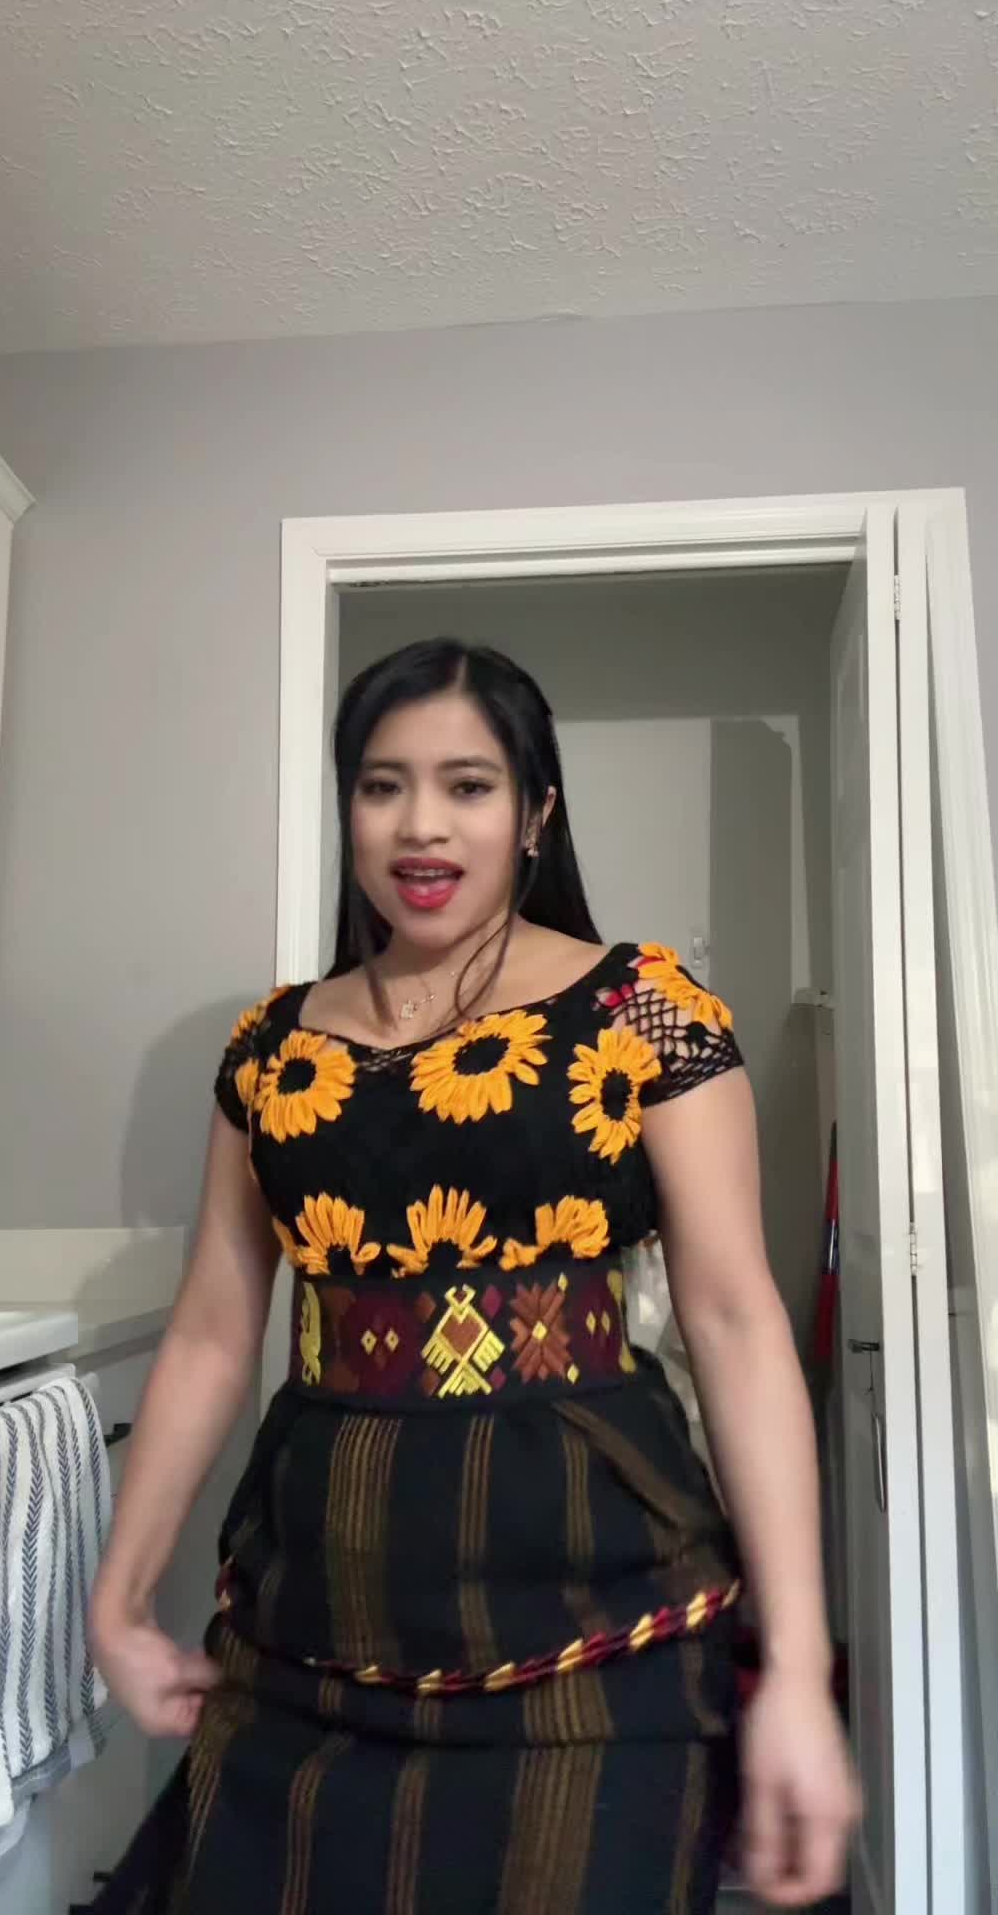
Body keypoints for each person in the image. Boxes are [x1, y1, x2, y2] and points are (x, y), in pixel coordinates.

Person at [90, 638, 860, 1914]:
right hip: (313, 1625)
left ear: (536, 814)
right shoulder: (270, 1048)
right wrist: (117, 1600)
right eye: (382, 785)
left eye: (468, 785)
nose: (421, 826)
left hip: (596, 1615)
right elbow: (215, 1332)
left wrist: (791, 1669)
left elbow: (735, 1321)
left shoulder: (644, 1008)